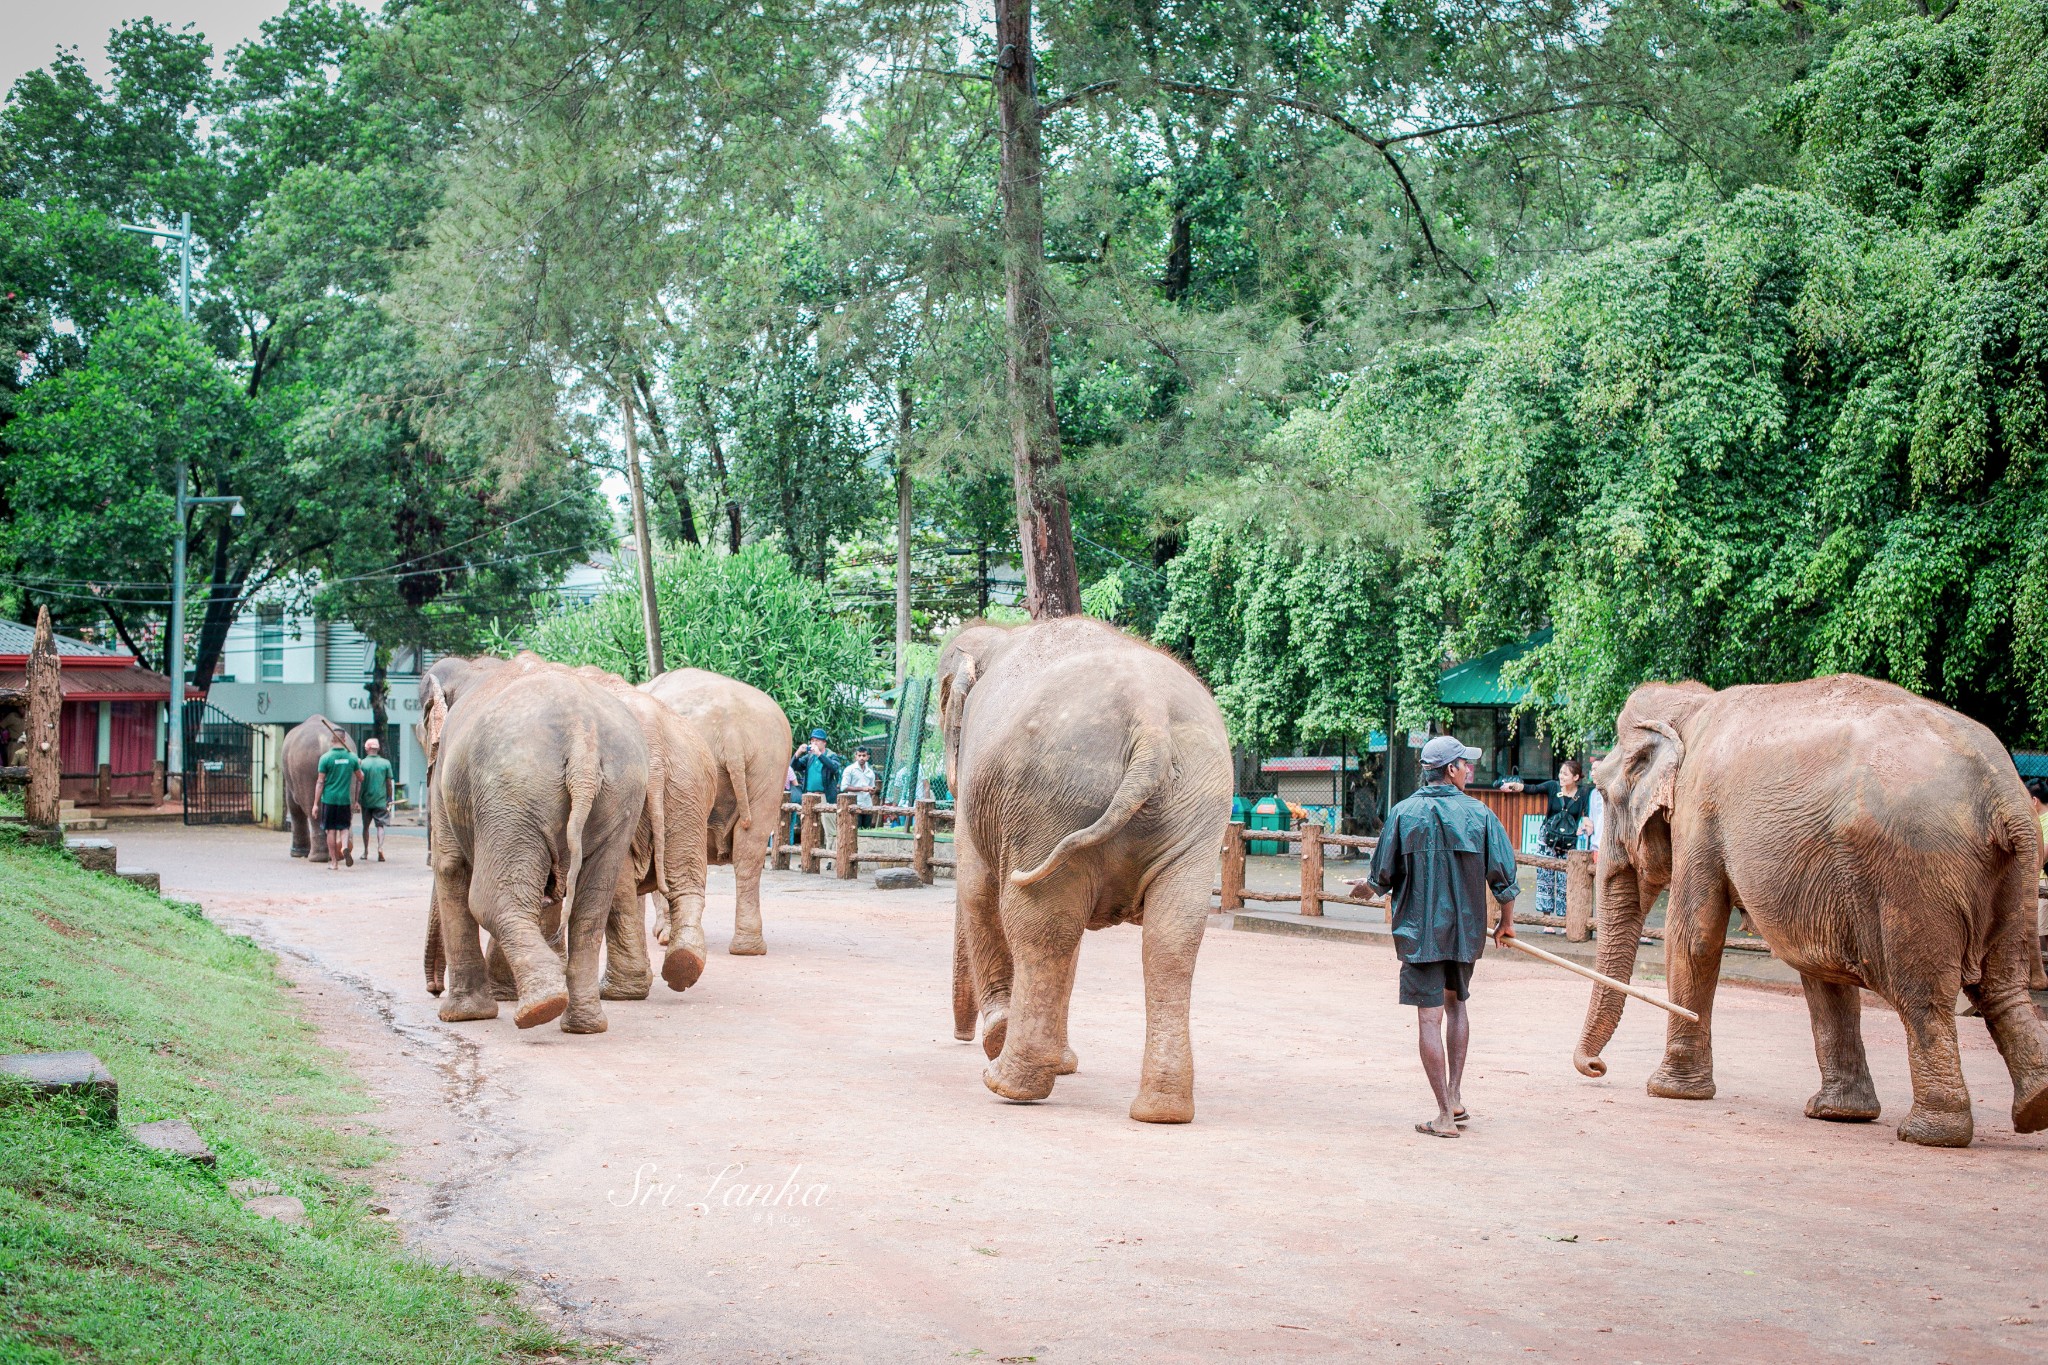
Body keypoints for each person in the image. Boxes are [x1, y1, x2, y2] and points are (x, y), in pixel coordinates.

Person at [1343, 735, 1519, 1139]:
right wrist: (1506, 922)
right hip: (1465, 932)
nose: (1469, 770)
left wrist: (1365, 887)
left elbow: (1380, 878)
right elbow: (1505, 880)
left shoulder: (1404, 814)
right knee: (1456, 1007)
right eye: (1465, 763)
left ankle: (1443, 1114)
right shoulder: (1481, 815)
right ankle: (1454, 1097)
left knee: (1429, 1016)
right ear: (1450, 770)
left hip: (1420, 935)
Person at [1501, 758, 1592, 933]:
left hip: (1569, 842)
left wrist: (1586, 825)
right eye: (1560, 773)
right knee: (1546, 878)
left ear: (1576, 777)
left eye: (1565, 774)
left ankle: (1566, 921)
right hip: (1547, 839)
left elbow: (1586, 814)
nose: (1561, 776)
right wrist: (1514, 786)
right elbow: (1532, 789)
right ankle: (1547, 921)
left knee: (1567, 881)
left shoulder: (1584, 793)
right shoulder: (1553, 786)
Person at [788, 728, 845, 843]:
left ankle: (830, 858)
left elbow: (834, 768)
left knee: (830, 828)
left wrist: (819, 754)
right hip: (809, 796)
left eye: (817, 740)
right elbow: (792, 767)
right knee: (808, 827)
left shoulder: (831, 755)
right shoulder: (809, 757)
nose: (814, 743)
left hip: (825, 796)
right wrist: (798, 753)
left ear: (824, 742)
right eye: (812, 740)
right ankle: (808, 859)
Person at [316, 732, 359, 870]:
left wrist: (315, 804)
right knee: (344, 828)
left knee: (331, 831)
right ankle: (345, 848)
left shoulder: (325, 758)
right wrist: (359, 764)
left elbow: (320, 782)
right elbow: (361, 777)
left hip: (329, 799)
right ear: (344, 739)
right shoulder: (351, 757)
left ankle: (334, 862)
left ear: (331, 740)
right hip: (344, 800)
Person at [357, 737, 395, 863]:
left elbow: (359, 784)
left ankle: (365, 851)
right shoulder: (386, 763)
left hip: (366, 800)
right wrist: (389, 797)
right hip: (380, 800)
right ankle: (380, 848)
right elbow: (389, 783)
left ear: (367, 749)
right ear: (378, 748)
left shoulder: (362, 763)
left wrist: (357, 799)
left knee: (365, 827)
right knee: (380, 826)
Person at [842, 746, 879, 827]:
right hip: (854, 805)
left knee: (866, 831)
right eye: (859, 755)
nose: (861, 758)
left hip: (867, 805)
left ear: (867, 757)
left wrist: (872, 791)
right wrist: (862, 789)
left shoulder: (870, 772)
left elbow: (872, 788)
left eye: (864, 755)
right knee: (854, 830)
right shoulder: (849, 770)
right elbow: (844, 787)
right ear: (856, 756)